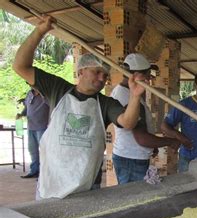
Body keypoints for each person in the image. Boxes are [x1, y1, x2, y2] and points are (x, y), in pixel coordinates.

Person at [12, 15, 145, 199]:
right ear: (81, 71)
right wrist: (40, 31)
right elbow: (20, 66)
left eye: (105, 75)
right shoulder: (57, 89)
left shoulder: (105, 104)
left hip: (87, 188)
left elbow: (128, 123)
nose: (101, 78)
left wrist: (135, 96)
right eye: (97, 72)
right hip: (52, 183)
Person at [111, 53, 180, 184]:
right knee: (134, 199)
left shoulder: (123, 92)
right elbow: (142, 139)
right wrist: (170, 141)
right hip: (132, 160)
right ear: (135, 75)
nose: (149, 78)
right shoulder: (128, 98)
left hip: (129, 157)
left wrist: (151, 146)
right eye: (147, 74)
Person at [16, 87, 49, 178]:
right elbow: (27, 107)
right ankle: (34, 171)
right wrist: (21, 114)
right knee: (32, 150)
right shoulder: (29, 94)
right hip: (31, 127)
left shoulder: (46, 94)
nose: (31, 85)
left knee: (44, 151)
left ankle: (44, 174)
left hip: (43, 127)